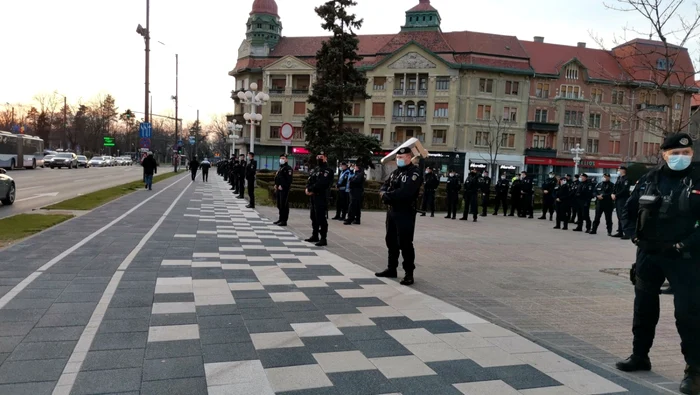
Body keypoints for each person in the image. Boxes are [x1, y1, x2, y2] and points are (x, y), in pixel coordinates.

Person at [617, 133, 700, 395]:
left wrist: (684, 245)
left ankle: (694, 371)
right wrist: (634, 235)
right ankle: (640, 355)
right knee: (643, 308)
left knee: (688, 314)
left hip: (684, 257)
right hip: (649, 254)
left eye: (686, 153)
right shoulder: (649, 178)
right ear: (664, 154)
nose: (680, 157)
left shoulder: (698, 179)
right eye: (674, 153)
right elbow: (628, 210)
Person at [376, 147, 423, 286]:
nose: (399, 160)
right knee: (391, 240)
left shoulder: (414, 173)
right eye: (397, 157)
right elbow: (384, 186)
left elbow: (405, 192)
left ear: (409, 158)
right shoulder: (396, 172)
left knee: (405, 242)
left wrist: (387, 196)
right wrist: (385, 194)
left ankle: (409, 273)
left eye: (401, 158)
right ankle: (392, 268)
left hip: (405, 212)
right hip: (392, 211)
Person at [304, 152, 333, 247]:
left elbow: (322, 183)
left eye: (321, 157)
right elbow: (310, 180)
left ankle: (323, 238)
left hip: (321, 196)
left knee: (321, 217)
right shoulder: (316, 169)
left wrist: (312, 189)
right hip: (313, 196)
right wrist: (308, 188)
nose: (319, 158)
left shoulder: (328, 170)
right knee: (313, 216)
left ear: (325, 158)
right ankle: (315, 235)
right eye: (318, 156)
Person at [612, 166, 631, 239]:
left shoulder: (627, 179)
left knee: (623, 216)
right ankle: (620, 231)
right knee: (619, 216)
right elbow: (615, 187)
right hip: (617, 199)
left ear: (623, 170)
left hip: (623, 199)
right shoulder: (619, 178)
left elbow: (625, 190)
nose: (618, 170)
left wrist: (616, 195)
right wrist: (613, 194)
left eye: (619, 169)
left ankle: (626, 233)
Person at [274, 154, 293, 226]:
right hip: (279, 188)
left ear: (286, 160)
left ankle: (284, 220)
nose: (282, 159)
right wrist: (276, 184)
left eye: (283, 158)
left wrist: (282, 185)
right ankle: (280, 218)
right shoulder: (281, 168)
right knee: (279, 204)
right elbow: (278, 178)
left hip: (284, 189)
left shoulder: (288, 168)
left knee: (284, 205)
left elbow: (289, 180)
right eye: (281, 158)